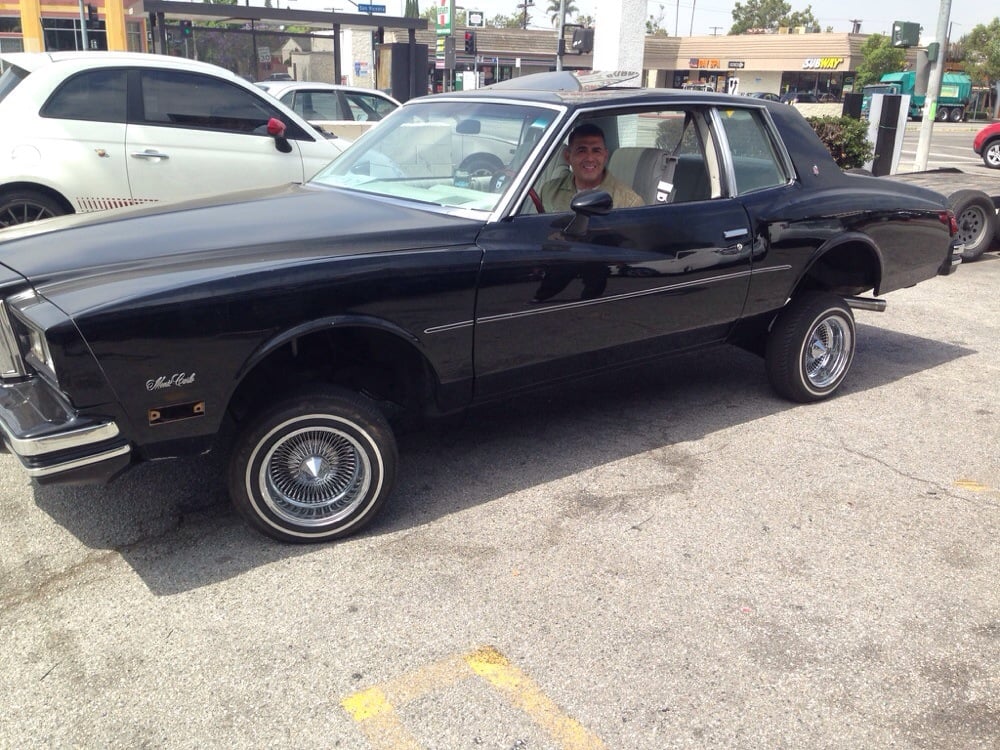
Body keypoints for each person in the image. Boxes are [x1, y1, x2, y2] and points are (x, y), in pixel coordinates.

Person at [539, 123, 643, 212]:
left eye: (596, 151)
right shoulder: (549, 193)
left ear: (605, 156)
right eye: (582, 150)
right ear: (567, 157)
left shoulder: (629, 203)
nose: (590, 158)